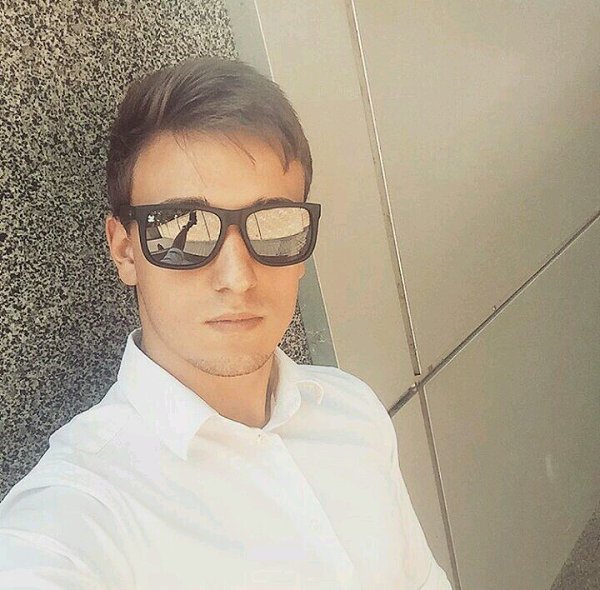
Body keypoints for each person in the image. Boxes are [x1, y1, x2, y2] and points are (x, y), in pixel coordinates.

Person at [0, 57, 452, 589]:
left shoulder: (352, 412)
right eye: (182, 228)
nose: (237, 277)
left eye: (273, 224)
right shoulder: (81, 515)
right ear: (125, 250)